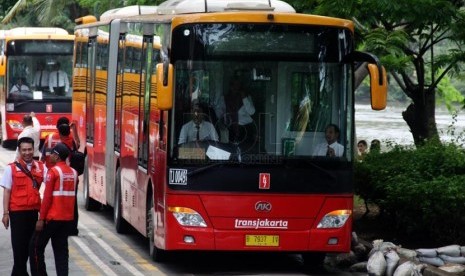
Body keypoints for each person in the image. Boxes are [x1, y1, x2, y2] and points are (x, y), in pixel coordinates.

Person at [1, 137, 47, 276]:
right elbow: (7, 191)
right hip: (17, 215)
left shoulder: (41, 167)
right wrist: (5, 213)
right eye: (24, 150)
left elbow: (50, 185)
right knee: (19, 252)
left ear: (34, 150)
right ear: (19, 151)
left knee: (32, 250)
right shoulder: (11, 169)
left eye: (30, 149)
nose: (27, 153)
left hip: (34, 214)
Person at [30, 143, 77, 276]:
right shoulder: (73, 173)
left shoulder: (54, 172)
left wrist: (41, 219)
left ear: (57, 156)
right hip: (67, 219)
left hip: (52, 218)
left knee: (35, 247)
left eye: (52, 153)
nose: (49, 155)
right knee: (61, 251)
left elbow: (47, 198)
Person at [224, 76, 256, 151]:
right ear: (231, 86)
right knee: (233, 151)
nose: (236, 87)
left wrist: (244, 97)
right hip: (232, 129)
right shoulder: (226, 98)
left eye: (238, 85)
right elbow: (223, 114)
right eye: (234, 85)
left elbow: (252, 112)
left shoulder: (246, 97)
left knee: (246, 150)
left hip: (246, 128)